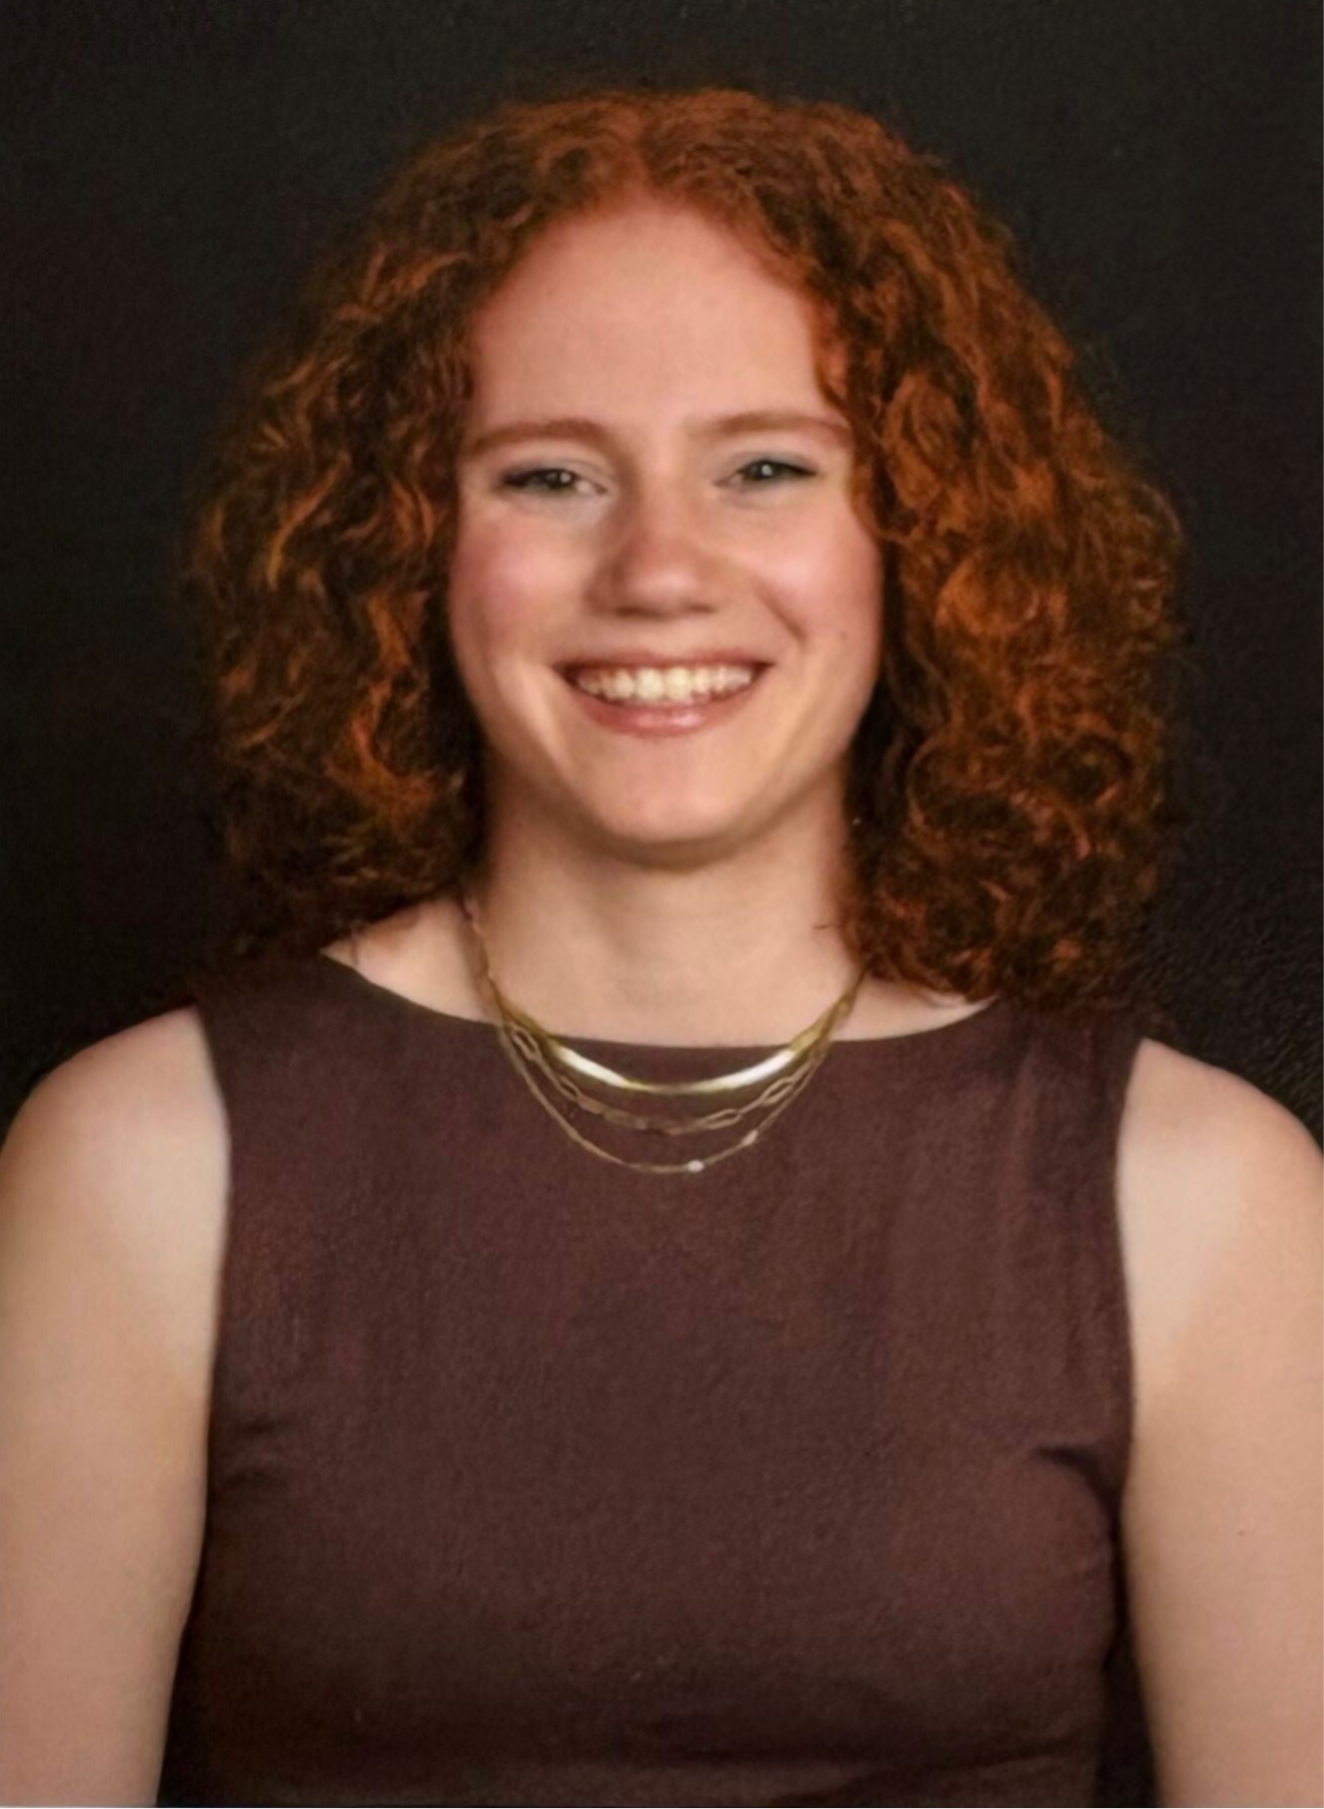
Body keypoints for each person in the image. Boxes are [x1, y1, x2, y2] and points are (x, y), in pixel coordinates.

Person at [2, 81, 1322, 1809]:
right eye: (551, 475)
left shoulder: (1203, 1197)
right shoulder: (142, 1167)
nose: (659, 569)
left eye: (766, 467)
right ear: (410, 542)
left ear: (918, 535)